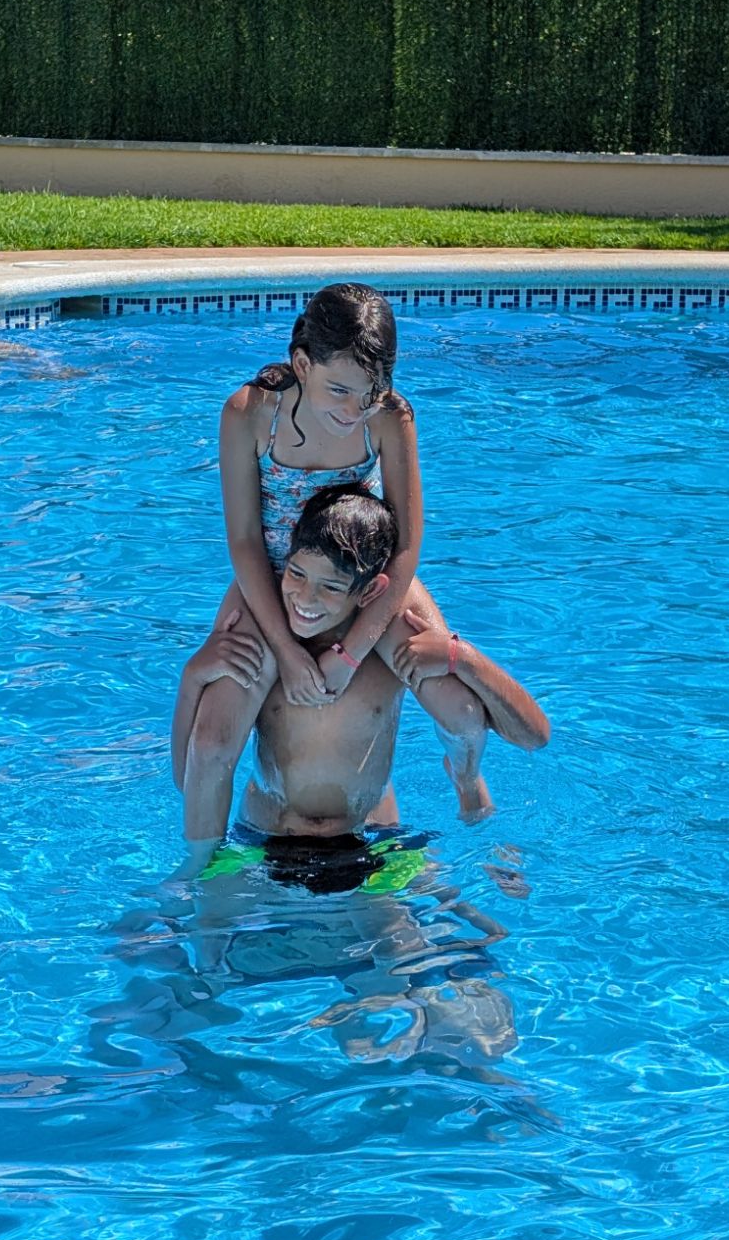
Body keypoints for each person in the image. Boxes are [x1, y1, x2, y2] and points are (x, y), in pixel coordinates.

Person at [177, 283, 493, 848]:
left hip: (365, 579)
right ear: (303, 364)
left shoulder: (389, 418)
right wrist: (285, 650)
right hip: (275, 580)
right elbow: (246, 541)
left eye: (369, 393)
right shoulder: (250, 414)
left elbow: (406, 546)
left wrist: (351, 653)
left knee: (460, 709)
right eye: (340, 390)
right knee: (213, 740)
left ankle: (470, 787)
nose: (353, 411)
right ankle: (196, 872)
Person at [173, 484, 549, 874]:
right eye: (296, 574)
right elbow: (192, 776)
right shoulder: (260, 632)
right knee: (200, 911)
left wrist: (462, 657)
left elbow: (533, 736)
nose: (306, 599)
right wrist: (192, 676)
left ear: (371, 593)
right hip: (263, 838)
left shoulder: (394, 638)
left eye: (331, 587)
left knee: (467, 914)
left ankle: (477, 813)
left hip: (373, 839)